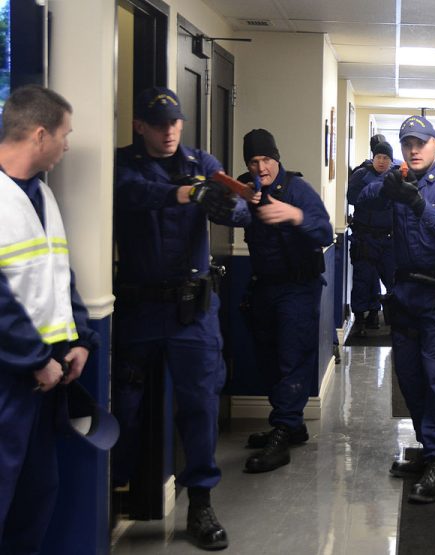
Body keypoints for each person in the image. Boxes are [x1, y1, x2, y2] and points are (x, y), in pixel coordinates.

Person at [112, 86, 248, 550]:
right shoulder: (123, 165)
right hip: (139, 311)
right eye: (158, 124)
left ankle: (200, 505)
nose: (169, 131)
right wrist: (186, 194)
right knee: (124, 408)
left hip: (192, 313)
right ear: (139, 127)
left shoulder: (203, 163)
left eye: (175, 122)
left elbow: (240, 202)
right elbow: (132, 194)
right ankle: (113, 491)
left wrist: (232, 206)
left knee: (200, 408)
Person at [356, 115, 435, 503]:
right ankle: (429, 446)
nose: (413, 149)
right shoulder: (398, 177)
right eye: (407, 143)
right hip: (407, 295)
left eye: (420, 142)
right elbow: (361, 196)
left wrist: (416, 201)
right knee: (410, 379)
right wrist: (386, 188)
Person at [0, 85, 99, 553]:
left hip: (47, 381)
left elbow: (59, 271)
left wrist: (79, 339)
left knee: (36, 496)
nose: (67, 145)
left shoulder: (41, 194)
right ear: (40, 134)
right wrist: (37, 359)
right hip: (11, 380)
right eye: (65, 135)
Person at [238, 129, 334, 474]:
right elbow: (227, 214)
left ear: (276, 159)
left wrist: (294, 216)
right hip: (264, 287)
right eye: (253, 161)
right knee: (269, 360)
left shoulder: (297, 190)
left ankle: (283, 429)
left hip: (298, 288)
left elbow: (325, 231)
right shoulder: (246, 189)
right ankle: (290, 426)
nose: (260, 167)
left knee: (292, 358)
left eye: (265, 159)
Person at [347, 140, 396, 336]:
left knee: (393, 280)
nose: (382, 161)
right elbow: (352, 197)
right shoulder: (361, 175)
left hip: (388, 238)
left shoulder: (395, 177)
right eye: (379, 157)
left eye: (386, 158)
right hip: (364, 237)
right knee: (363, 280)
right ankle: (359, 319)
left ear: (391, 161)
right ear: (373, 158)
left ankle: (381, 315)